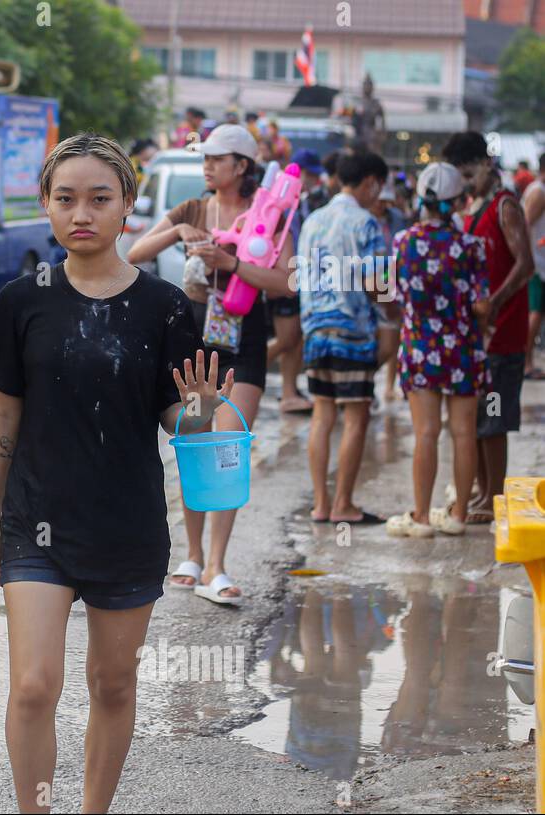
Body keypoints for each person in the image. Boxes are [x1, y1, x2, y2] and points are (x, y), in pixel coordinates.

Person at [0, 133, 216, 813]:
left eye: (99, 199)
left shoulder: (164, 307)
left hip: (126, 525)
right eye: (66, 198)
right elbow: (5, 417)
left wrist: (200, 412)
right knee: (32, 685)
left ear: (128, 206)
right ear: (47, 207)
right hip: (34, 525)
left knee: (113, 684)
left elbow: (177, 423)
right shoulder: (25, 299)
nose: (82, 213)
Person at [128, 124, 297, 604]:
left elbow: (286, 282)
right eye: (205, 158)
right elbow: (135, 252)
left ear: (242, 165)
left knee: (228, 447)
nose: (207, 166)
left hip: (243, 341)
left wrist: (232, 262)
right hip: (193, 339)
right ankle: (194, 554)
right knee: (194, 443)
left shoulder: (270, 216)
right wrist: (179, 231)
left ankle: (218, 564)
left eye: (216, 158)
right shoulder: (193, 209)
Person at [385, 162, 489, 538]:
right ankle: (459, 514)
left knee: (426, 433)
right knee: (464, 433)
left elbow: (389, 296)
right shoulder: (472, 247)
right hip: (463, 350)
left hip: (418, 349)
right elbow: (481, 306)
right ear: (459, 201)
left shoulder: (402, 242)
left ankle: (422, 517)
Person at [442, 132, 536, 524]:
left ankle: (495, 496)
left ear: (485, 164)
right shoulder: (474, 208)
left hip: (503, 335)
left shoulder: (505, 205)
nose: (465, 183)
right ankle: (482, 492)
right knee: (477, 419)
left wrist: (493, 304)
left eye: (468, 174)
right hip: (478, 339)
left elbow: (525, 264)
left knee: (493, 420)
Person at [296, 150, 392, 526]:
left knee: (322, 414)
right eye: (378, 187)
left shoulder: (313, 221)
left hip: (316, 330)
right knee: (356, 416)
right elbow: (377, 284)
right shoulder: (366, 223)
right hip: (353, 331)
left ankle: (321, 504)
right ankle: (344, 504)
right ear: (370, 182)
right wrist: (393, 310)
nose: (379, 195)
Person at [269, 148, 329, 416]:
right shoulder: (281, 199)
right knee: (286, 338)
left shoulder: (301, 201)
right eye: (311, 175)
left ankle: (290, 392)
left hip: (298, 276)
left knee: (294, 340)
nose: (314, 180)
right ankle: (233, 378)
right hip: (284, 275)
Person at [370, 182, 410, 402]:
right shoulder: (364, 219)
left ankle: (389, 385)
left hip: (391, 279)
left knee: (392, 340)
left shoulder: (396, 217)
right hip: (370, 281)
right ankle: (368, 381)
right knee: (379, 338)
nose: (381, 205)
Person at [522, 151, 545, 380]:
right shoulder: (538, 192)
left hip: (538, 263)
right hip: (537, 265)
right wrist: (526, 261)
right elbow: (526, 225)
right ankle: (526, 362)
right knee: (535, 312)